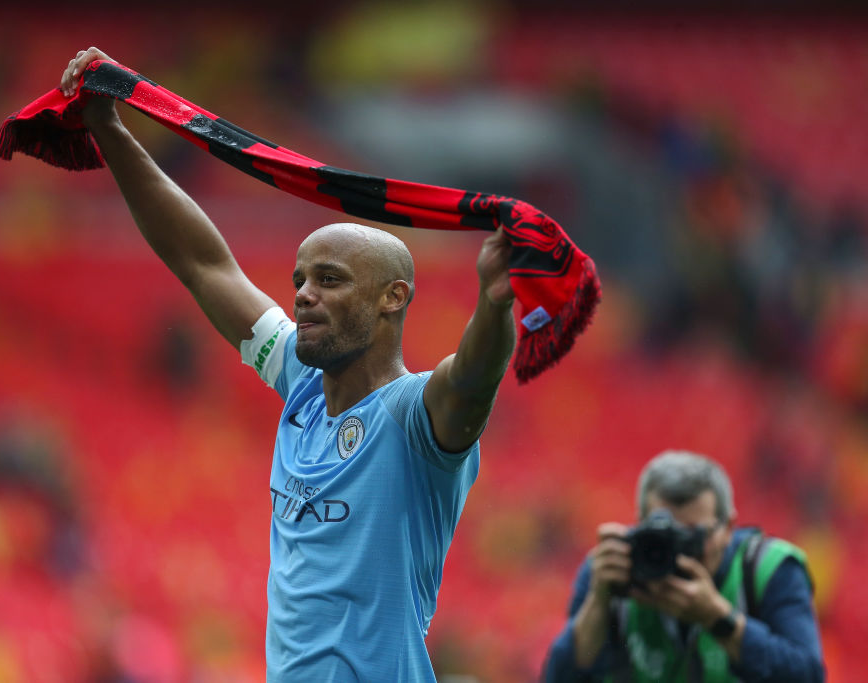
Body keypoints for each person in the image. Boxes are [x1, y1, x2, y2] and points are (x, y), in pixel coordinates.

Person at [60, 47, 518, 681]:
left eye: (329, 280)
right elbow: (203, 264)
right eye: (300, 279)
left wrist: (495, 306)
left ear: (393, 298)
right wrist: (109, 130)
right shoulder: (301, 385)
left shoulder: (415, 419)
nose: (303, 294)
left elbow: (472, 378)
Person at [543, 450, 824, 682]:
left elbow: (807, 675)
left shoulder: (766, 570)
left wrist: (718, 618)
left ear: (727, 528)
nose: (676, 551)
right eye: (663, 533)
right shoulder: (612, 569)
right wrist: (599, 601)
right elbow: (558, 677)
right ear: (640, 523)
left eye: (691, 536)